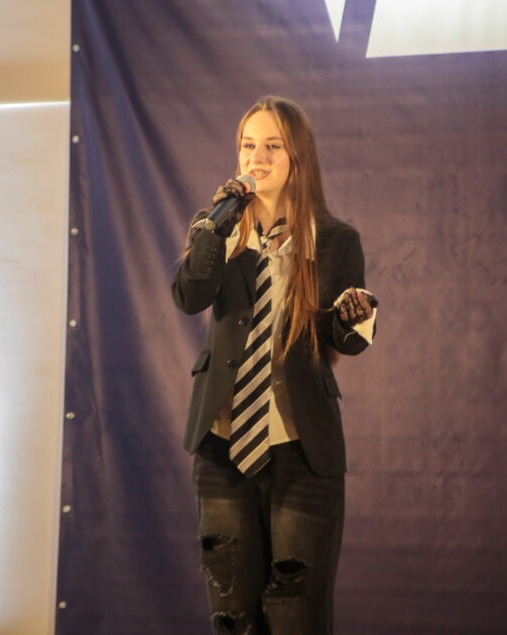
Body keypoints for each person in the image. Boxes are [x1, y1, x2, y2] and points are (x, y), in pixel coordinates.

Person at [172, 95, 378, 634]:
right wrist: (216, 231)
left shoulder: (334, 239)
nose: (256, 159)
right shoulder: (216, 229)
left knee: (295, 612)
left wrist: (355, 317)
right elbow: (189, 296)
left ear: (297, 158)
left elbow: (345, 338)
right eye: (247, 146)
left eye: (271, 146)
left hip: (302, 449)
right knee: (232, 615)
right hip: (223, 446)